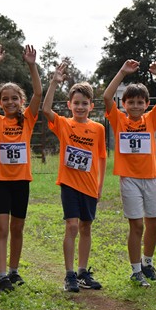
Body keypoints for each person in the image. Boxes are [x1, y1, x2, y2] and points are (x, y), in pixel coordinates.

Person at [102, 59, 156, 287]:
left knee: (154, 223)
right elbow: (106, 97)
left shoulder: (150, 119)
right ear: (124, 104)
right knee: (136, 225)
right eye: (131, 102)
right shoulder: (119, 119)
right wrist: (122, 71)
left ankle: (147, 263)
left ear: (146, 104)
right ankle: (135, 269)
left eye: (140, 102)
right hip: (129, 179)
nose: (136, 106)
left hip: (151, 178)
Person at [42, 62, 106, 293]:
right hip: (69, 184)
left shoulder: (98, 128)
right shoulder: (63, 124)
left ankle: (82, 272)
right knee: (72, 227)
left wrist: (100, 187)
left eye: (84, 103)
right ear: (69, 105)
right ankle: (69, 274)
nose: (80, 107)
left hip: (89, 186)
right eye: (76, 103)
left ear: (91, 106)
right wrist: (54, 82)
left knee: (86, 227)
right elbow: (46, 109)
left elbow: (101, 157)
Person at [0, 42, 42, 293]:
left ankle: (14, 270)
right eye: (4, 99)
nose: (9, 102)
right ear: (0, 102)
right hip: (1, 182)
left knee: (17, 228)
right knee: (1, 229)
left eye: (14, 98)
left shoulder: (27, 119)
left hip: (21, 182)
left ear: (21, 101)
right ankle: (1, 276)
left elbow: (39, 94)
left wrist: (32, 66)